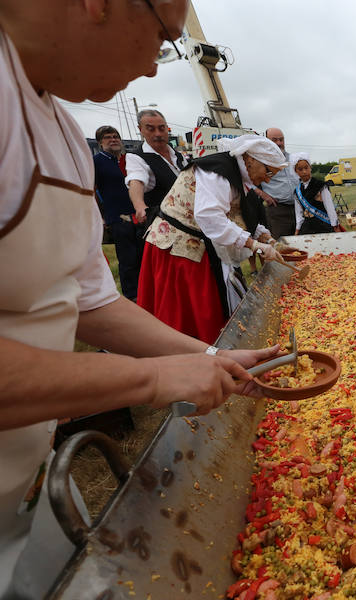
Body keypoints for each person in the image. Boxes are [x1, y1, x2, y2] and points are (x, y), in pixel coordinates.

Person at [0, 2, 278, 597]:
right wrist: (150, 381)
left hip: (23, 474)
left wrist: (207, 355)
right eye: (161, 39)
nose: (154, 69)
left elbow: (93, 302)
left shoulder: (61, 134)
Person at [138, 134, 288, 343]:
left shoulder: (240, 176)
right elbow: (210, 217)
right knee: (190, 314)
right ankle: (194, 353)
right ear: (251, 159)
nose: (269, 178)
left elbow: (238, 212)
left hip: (200, 246)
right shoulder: (217, 173)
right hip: (179, 249)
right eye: (269, 171)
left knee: (214, 306)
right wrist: (254, 245)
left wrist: (264, 237)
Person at [93, 125, 143, 300]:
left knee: (143, 258)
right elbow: (92, 190)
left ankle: (147, 293)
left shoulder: (129, 160)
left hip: (140, 216)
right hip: (118, 218)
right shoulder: (97, 162)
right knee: (128, 260)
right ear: (100, 143)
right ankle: (133, 297)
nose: (113, 139)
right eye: (108, 137)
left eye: (116, 136)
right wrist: (100, 216)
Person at [125, 108, 186, 232]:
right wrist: (140, 206)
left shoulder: (179, 156)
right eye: (151, 129)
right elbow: (136, 180)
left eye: (161, 128)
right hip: (163, 228)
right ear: (140, 129)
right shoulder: (136, 157)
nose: (158, 133)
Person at [256, 127, 299, 239]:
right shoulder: (261, 160)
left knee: (301, 244)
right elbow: (248, 183)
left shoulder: (293, 159)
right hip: (278, 211)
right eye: (274, 140)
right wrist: (263, 195)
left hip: (298, 209)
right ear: (266, 141)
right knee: (281, 246)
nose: (279, 143)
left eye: (281, 139)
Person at [292, 152, 340, 234]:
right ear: (295, 171)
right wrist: (297, 229)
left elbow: (330, 207)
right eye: (300, 169)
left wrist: (335, 225)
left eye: (306, 168)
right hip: (307, 227)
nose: (304, 172)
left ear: (310, 168)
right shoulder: (297, 191)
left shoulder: (320, 185)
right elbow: (299, 213)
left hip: (323, 225)